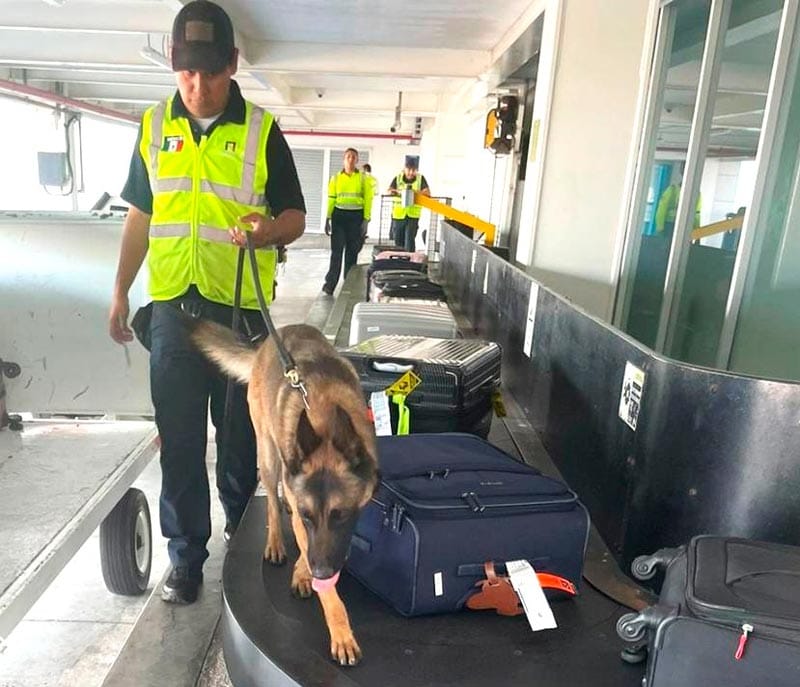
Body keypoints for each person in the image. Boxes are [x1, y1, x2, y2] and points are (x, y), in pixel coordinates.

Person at [108, 0, 305, 605]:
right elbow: (142, 216)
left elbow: (296, 216)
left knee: (244, 448)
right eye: (188, 73)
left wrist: (267, 231)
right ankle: (186, 561)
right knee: (181, 446)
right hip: (172, 313)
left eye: (212, 73)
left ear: (233, 64)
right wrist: (120, 290)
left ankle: (246, 557)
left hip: (240, 316)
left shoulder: (261, 131)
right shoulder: (152, 127)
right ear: (173, 65)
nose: (199, 86)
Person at [322, 148, 373, 295]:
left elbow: (368, 199)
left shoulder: (364, 179)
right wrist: (328, 217)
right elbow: (331, 198)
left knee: (352, 253)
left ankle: (348, 285)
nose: (350, 160)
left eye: (353, 157)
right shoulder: (336, 178)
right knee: (336, 252)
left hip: (356, 218)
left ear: (357, 160)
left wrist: (366, 220)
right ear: (344, 160)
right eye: (348, 157)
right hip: (339, 217)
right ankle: (330, 284)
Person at [388, 155, 430, 252]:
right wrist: (400, 192)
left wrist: (414, 193)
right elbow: (389, 190)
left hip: (412, 216)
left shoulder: (420, 179)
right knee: (398, 240)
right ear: (404, 169)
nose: (411, 172)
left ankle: (409, 263)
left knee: (410, 240)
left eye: (414, 170)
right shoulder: (398, 178)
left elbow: (427, 193)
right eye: (409, 169)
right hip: (398, 215)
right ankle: (398, 261)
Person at [360, 163, 378, 249]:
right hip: (369, 202)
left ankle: (359, 237)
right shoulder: (373, 179)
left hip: (359, 202)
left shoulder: (361, 178)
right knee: (366, 220)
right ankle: (362, 237)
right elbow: (376, 192)